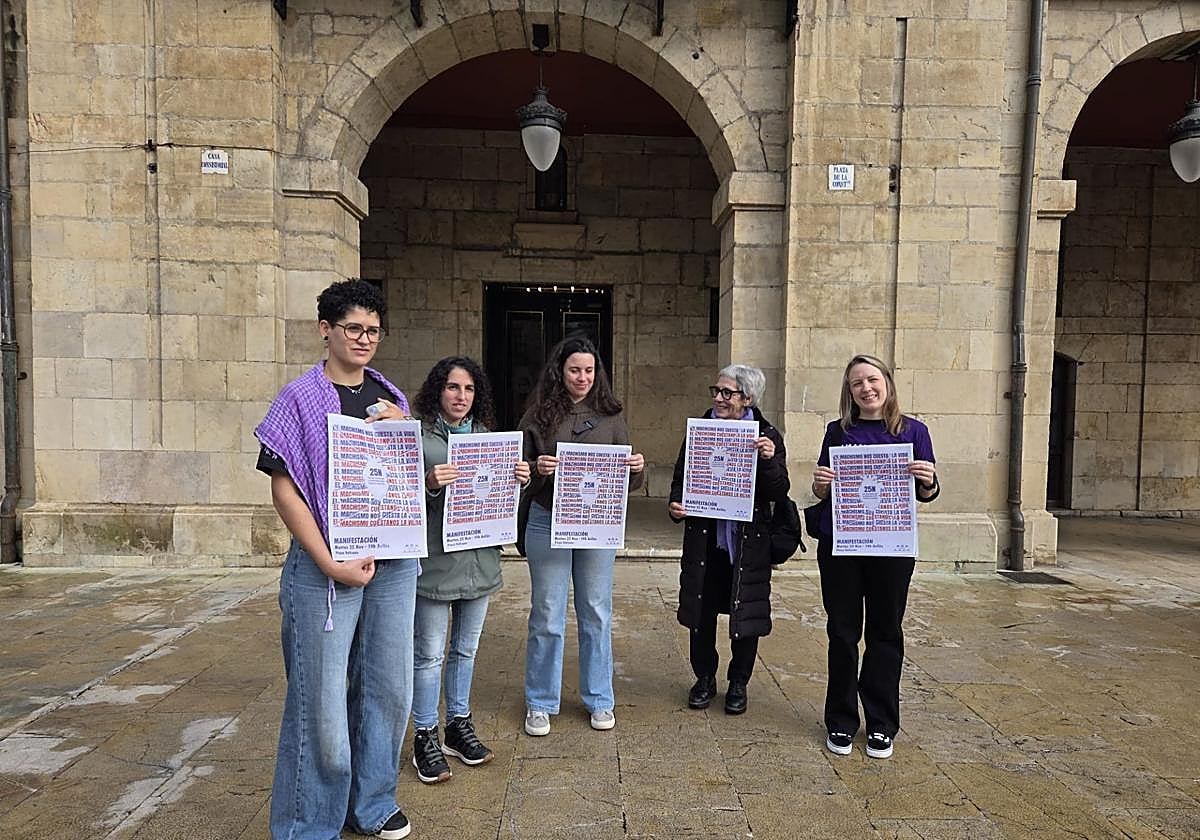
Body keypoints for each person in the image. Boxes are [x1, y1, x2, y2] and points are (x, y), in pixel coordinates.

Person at [255, 278, 415, 840]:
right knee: (319, 699)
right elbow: (284, 487)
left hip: (391, 564)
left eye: (373, 330)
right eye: (353, 328)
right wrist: (326, 561)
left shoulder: (391, 397)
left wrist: (408, 433)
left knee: (390, 686)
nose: (364, 339)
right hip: (323, 566)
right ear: (326, 329)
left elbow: (406, 480)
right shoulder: (299, 397)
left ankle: (370, 802)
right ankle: (306, 822)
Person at [408, 357, 530, 784]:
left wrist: (519, 479)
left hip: (479, 561)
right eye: (453, 387)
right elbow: (398, 509)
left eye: (469, 389)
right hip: (436, 563)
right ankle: (424, 732)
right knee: (428, 655)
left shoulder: (488, 439)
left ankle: (458, 725)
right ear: (437, 390)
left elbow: (499, 501)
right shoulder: (419, 439)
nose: (461, 397)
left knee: (465, 650)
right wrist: (427, 483)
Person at [811, 354, 939, 760]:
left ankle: (882, 723)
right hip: (842, 548)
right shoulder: (838, 432)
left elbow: (927, 493)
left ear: (887, 382)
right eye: (856, 384)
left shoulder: (914, 431)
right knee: (843, 634)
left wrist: (929, 481)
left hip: (891, 550)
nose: (866, 389)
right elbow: (822, 491)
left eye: (872, 380)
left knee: (886, 634)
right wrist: (819, 485)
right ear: (849, 393)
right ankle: (841, 720)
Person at [518, 336, 645, 736]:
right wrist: (537, 468)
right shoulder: (537, 416)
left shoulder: (611, 416)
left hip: (596, 525)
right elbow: (516, 472)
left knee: (595, 612)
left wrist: (637, 468)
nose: (583, 377)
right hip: (547, 520)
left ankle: (599, 697)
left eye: (589, 370)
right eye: (575, 369)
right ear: (560, 371)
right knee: (547, 615)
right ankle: (539, 701)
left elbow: (628, 478)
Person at [668, 365, 790, 715]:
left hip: (746, 545)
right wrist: (676, 505)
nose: (718, 398)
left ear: (747, 398)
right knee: (701, 613)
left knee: (746, 615)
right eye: (716, 391)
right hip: (706, 542)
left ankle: (739, 682)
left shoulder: (766, 434)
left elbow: (779, 490)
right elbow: (681, 478)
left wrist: (767, 460)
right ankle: (704, 678)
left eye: (727, 393)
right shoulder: (700, 431)